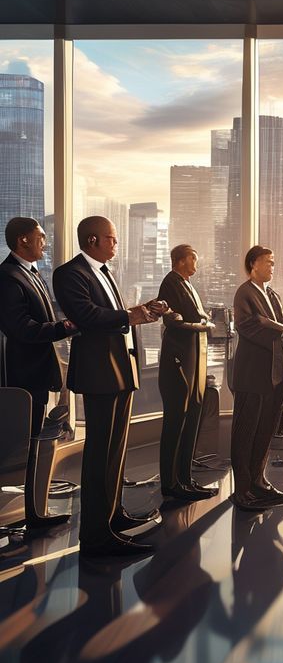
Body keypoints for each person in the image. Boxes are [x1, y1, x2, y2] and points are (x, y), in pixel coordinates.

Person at [53, 216, 168, 558]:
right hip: (98, 374)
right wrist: (131, 315)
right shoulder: (69, 274)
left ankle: (113, 515)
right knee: (99, 454)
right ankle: (95, 535)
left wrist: (144, 312)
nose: (116, 244)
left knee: (116, 451)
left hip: (119, 370)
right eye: (112, 239)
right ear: (92, 241)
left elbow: (115, 316)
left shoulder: (105, 272)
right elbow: (88, 317)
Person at [0, 217, 77, 530]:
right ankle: (33, 515)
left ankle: (35, 512)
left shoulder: (30, 273)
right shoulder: (7, 276)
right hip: (24, 377)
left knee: (36, 446)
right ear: (22, 240)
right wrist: (64, 327)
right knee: (27, 446)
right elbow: (20, 329)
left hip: (37, 374)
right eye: (41, 238)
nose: (45, 243)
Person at [229, 245, 283, 511]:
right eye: (267, 262)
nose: (272, 267)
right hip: (252, 373)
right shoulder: (245, 293)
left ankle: (259, 484)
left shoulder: (272, 294)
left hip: (274, 374)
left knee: (264, 431)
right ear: (253, 263)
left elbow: (279, 325)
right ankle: (242, 491)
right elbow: (248, 325)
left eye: (274, 263)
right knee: (245, 432)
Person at [157, 244, 218, 501]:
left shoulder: (188, 284)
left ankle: (185, 479)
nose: (196, 263)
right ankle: (171, 483)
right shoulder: (170, 283)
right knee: (176, 423)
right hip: (179, 362)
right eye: (193, 258)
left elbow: (195, 316)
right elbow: (174, 320)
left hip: (195, 361)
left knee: (192, 419)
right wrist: (203, 326)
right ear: (181, 261)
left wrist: (202, 323)